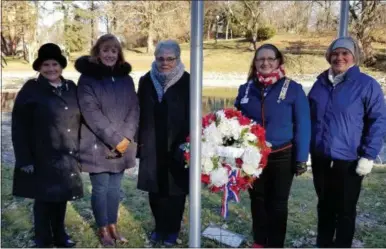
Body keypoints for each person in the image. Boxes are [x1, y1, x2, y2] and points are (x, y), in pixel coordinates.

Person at [308, 36, 386, 248]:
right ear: (329, 56)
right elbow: (309, 118)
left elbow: (379, 121)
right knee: (324, 206)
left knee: (344, 210)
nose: (339, 57)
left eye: (345, 53)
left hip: (349, 160)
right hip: (321, 157)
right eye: (335, 53)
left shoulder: (367, 85)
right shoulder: (320, 84)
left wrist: (369, 155)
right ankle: (323, 244)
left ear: (354, 57)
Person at [234, 44, 311, 248]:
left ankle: (275, 244)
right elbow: (235, 122)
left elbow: (303, 124)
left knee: (277, 203)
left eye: (270, 59)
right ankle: (260, 241)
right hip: (253, 156)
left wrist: (302, 158)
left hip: (281, 155)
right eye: (260, 59)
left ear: (278, 61)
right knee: (257, 200)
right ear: (255, 63)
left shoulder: (293, 89)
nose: (265, 63)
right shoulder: (246, 89)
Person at [12, 43, 83, 248]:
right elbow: (19, 127)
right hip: (41, 155)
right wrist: (24, 159)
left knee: (61, 198)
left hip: (67, 154)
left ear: (61, 66)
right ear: (39, 67)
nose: (51, 69)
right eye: (46, 65)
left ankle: (60, 235)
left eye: (55, 64)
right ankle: (42, 238)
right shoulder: (31, 90)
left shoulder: (71, 87)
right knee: (43, 199)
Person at [76, 34, 139, 247]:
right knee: (101, 187)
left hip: (123, 144)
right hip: (97, 144)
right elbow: (90, 112)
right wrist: (114, 139)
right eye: (105, 50)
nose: (110, 54)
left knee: (115, 188)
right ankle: (103, 228)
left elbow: (134, 108)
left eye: (114, 51)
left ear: (118, 54)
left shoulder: (126, 79)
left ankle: (113, 225)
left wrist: (127, 137)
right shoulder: (87, 79)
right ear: (98, 52)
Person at [136, 40, 190, 246]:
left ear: (178, 58)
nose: (165, 62)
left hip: (179, 145)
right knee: (155, 190)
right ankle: (159, 228)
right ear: (154, 58)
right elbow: (138, 111)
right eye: (160, 58)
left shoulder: (187, 81)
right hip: (151, 144)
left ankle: (172, 230)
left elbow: (193, 116)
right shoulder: (146, 80)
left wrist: (190, 144)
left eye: (170, 59)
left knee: (175, 191)